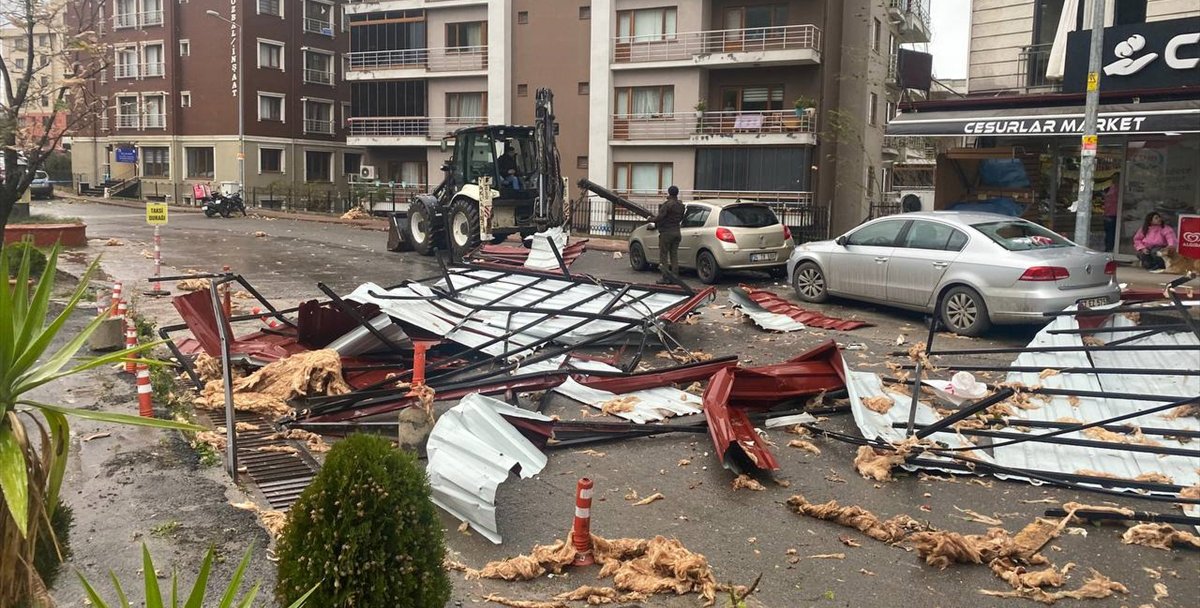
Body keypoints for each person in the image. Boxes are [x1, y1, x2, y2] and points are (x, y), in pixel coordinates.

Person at [650, 185, 684, 284]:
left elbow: (660, 217)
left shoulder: (667, 205)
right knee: (674, 255)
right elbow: (681, 218)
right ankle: (675, 277)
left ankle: (665, 277)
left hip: (666, 233)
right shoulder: (681, 205)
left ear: (669, 193)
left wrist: (650, 219)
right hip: (677, 232)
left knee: (663, 256)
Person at [1102, 173, 1120, 252]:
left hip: (1108, 214)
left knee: (1109, 233)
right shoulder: (1117, 189)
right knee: (1111, 233)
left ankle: (1108, 248)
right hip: (1113, 214)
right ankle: (1110, 249)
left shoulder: (1111, 188)